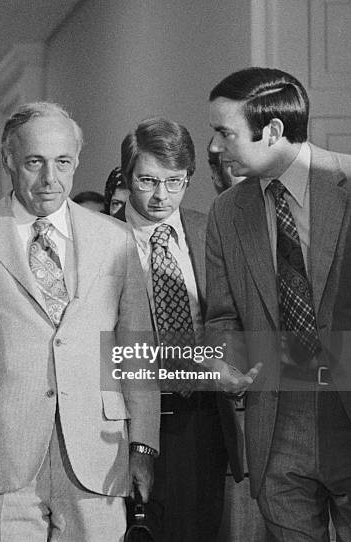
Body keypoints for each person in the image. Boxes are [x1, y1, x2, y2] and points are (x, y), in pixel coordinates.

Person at [0, 102, 160, 542]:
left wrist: (143, 445)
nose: (50, 179)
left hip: (98, 454)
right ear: (9, 159)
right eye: (35, 162)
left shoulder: (115, 238)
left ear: (76, 162)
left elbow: (136, 352)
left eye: (63, 162)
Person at [205, 66, 351, 540]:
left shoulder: (347, 180)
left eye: (225, 132)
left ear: (271, 131)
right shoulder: (228, 212)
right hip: (276, 429)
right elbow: (223, 314)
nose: (215, 147)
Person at [119, 117, 243, 541]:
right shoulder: (101, 236)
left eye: (174, 182)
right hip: (127, 418)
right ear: (126, 177)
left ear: (190, 178)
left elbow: (228, 315)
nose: (160, 196)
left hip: (202, 418)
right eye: (147, 181)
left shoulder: (211, 229)